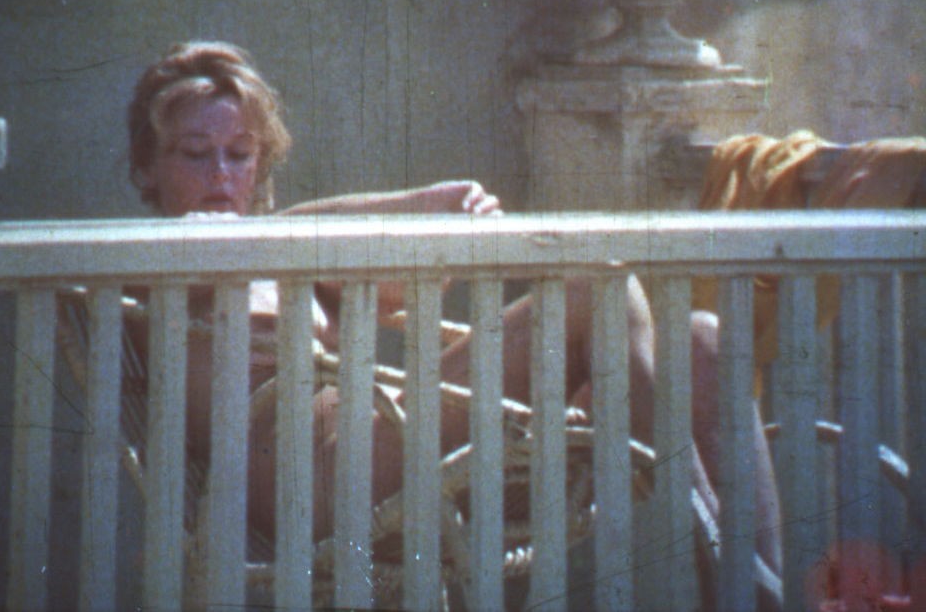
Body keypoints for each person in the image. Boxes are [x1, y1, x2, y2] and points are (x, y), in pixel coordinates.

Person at [126, 41, 781, 578]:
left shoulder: (280, 258)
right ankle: (727, 562)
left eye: (240, 154)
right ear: (147, 171)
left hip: (407, 465)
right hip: (327, 492)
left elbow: (411, 281)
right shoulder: (145, 270)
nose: (221, 174)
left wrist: (445, 207)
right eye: (195, 153)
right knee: (592, 289)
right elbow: (284, 235)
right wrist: (421, 202)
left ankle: (762, 587)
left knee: (702, 339)